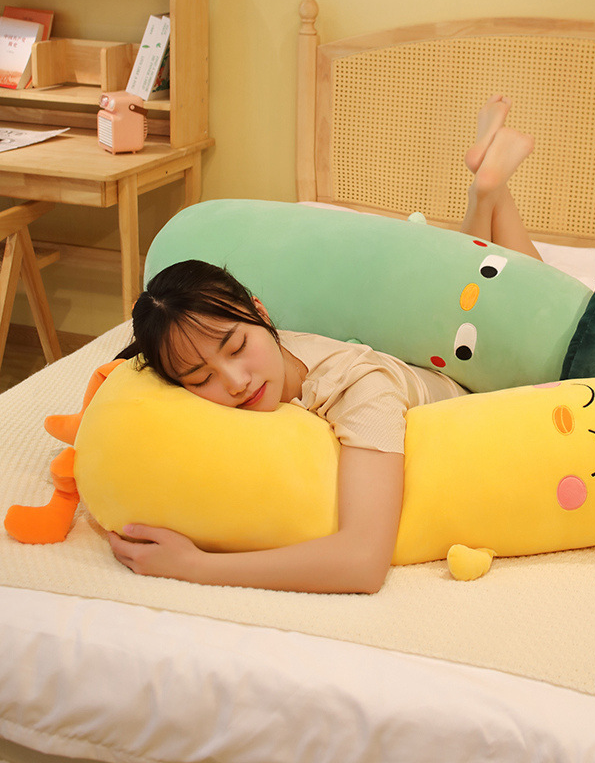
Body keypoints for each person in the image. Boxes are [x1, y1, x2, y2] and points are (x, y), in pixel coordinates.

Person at [107, 96, 541, 593]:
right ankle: (487, 191)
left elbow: (363, 562)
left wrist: (196, 566)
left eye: (236, 347)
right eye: (200, 377)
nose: (235, 382)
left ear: (260, 311)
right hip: (423, 354)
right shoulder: (271, 347)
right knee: (467, 295)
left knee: (525, 312)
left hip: (481, 388)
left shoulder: (361, 391)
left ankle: (489, 192)